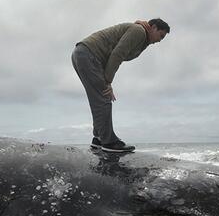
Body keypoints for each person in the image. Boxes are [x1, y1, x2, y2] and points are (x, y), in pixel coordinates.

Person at [71, 18, 170, 153]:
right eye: (161, 36)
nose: (160, 40)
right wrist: (108, 82)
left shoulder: (142, 37)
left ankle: (99, 138)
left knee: (99, 99)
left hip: (83, 54)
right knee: (103, 98)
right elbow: (118, 54)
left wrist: (106, 81)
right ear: (153, 27)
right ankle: (109, 142)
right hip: (88, 54)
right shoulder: (139, 31)